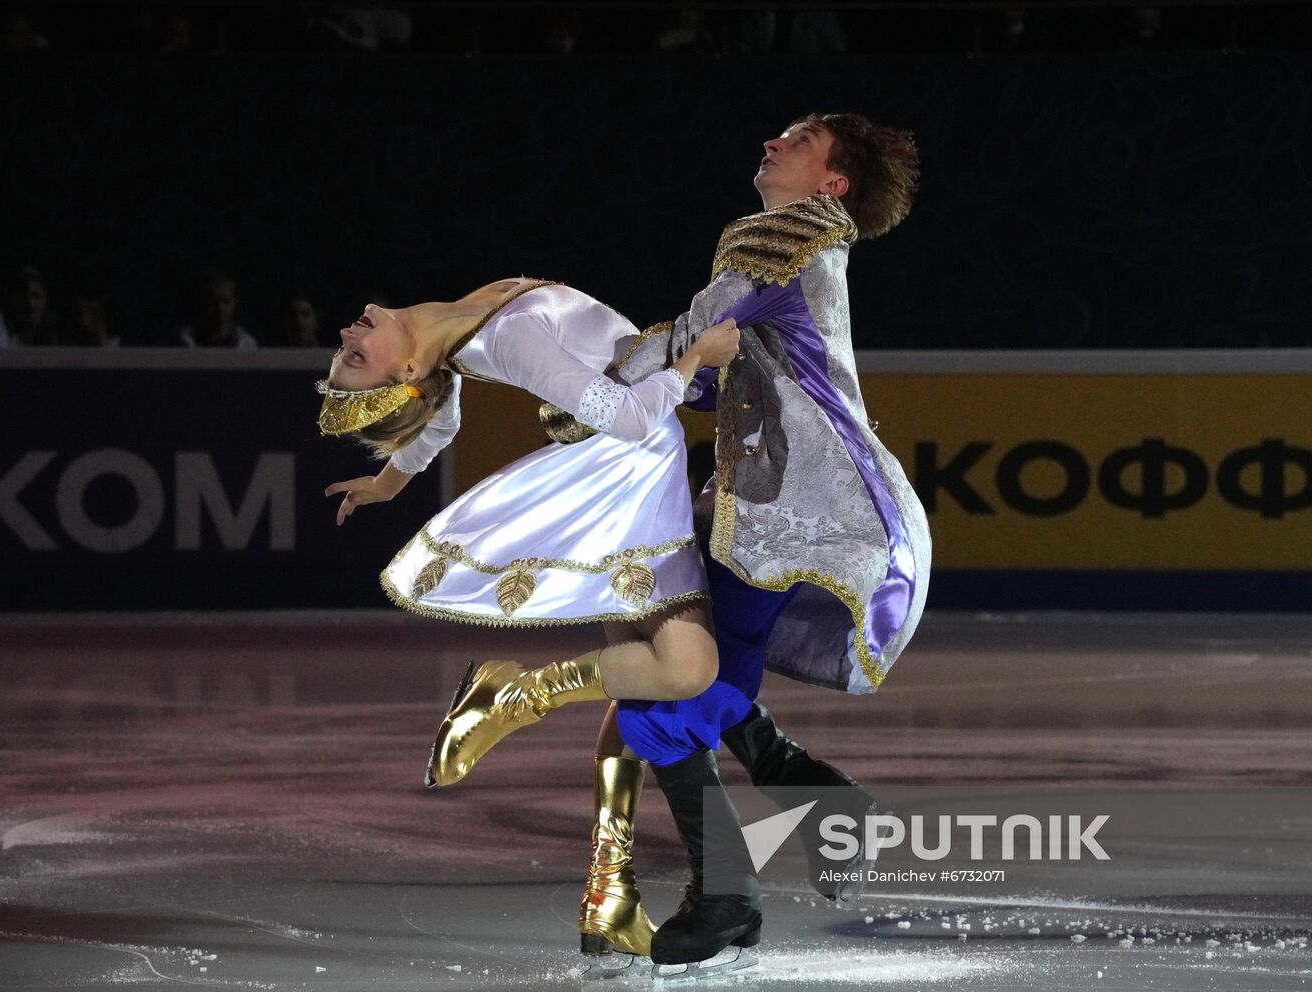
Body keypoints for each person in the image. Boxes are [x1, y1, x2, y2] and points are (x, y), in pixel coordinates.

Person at [571, 113, 931, 973]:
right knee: (685, 672)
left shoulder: (782, 235)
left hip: (794, 512)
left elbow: (691, 339)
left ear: (831, 181)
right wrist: (673, 367)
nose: (771, 141)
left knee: (667, 698)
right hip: (788, 507)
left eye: (798, 139)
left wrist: (573, 383)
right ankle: (806, 806)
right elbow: (709, 368)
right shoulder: (810, 242)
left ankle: (732, 892)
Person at [319, 278, 740, 789]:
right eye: (356, 357)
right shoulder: (505, 340)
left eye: (345, 352)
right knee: (687, 669)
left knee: (651, 678)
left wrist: (388, 484)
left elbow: (441, 421)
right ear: (407, 370)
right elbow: (626, 417)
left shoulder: (455, 347)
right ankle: (514, 697)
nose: (348, 335)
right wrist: (696, 357)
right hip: (628, 479)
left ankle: (610, 851)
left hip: (627, 472)